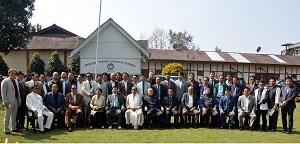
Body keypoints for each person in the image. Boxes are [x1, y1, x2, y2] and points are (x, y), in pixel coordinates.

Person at [1, 69, 21, 134]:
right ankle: (6, 129)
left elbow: (18, 92)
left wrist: (19, 100)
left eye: (15, 74)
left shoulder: (16, 81)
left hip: (15, 100)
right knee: (7, 115)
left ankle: (13, 128)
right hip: (8, 101)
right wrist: (5, 101)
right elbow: (3, 92)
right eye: (12, 73)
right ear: (9, 74)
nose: (13, 75)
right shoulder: (5, 81)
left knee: (14, 115)